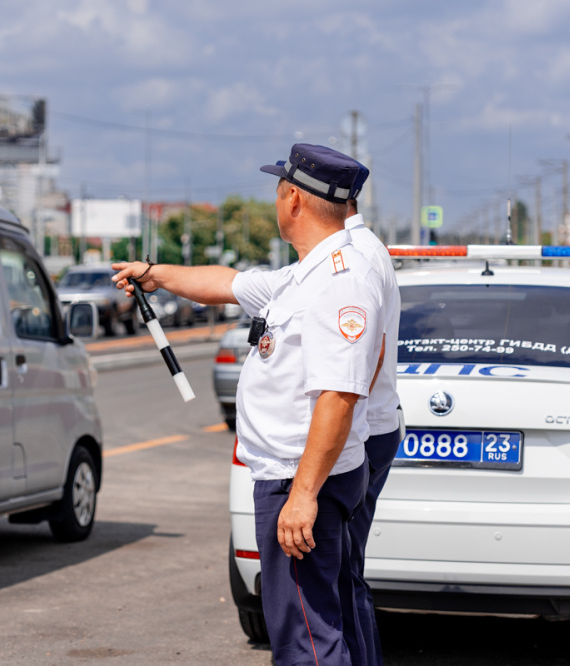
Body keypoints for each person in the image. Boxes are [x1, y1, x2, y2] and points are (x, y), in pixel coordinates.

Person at [112, 143, 385, 665]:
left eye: (278, 191)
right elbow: (229, 284)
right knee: (316, 624)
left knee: (306, 639)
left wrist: (303, 496)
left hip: (300, 479)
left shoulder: (338, 281)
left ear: (293, 200)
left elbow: (340, 395)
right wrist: (155, 273)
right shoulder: (309, 272)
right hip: (295, 474)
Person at [343, 192, 402, 666]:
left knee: (343, 572)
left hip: (359, 432)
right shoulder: (359, 250)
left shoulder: (354, 258)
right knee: (344, 569)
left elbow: (367, 353)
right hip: (367, 428)